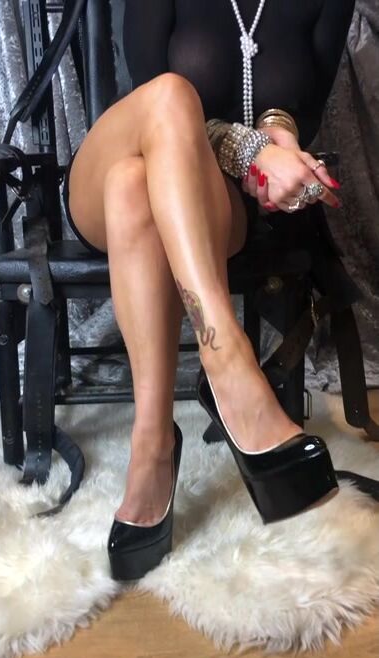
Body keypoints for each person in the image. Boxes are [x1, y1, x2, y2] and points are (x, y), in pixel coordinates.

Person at [62, 0, 356, 580]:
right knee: (169, 99)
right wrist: (250, 152)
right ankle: (228, 366)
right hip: (117, 153)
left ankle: (152, 447)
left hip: (204, 202)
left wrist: (283, 150)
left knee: (133, 190)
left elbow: (304, 108)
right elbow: (152, 99)